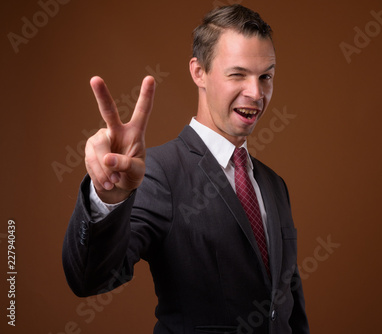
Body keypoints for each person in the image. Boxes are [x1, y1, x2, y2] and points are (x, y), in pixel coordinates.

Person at [63, 4, 309, 334]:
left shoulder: (274, 185)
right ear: (199, 72)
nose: (256, 92)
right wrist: (108, 195)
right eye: (237, 74)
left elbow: (288, 309)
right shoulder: (160, 173)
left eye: (265, 76)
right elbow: (90, 277)